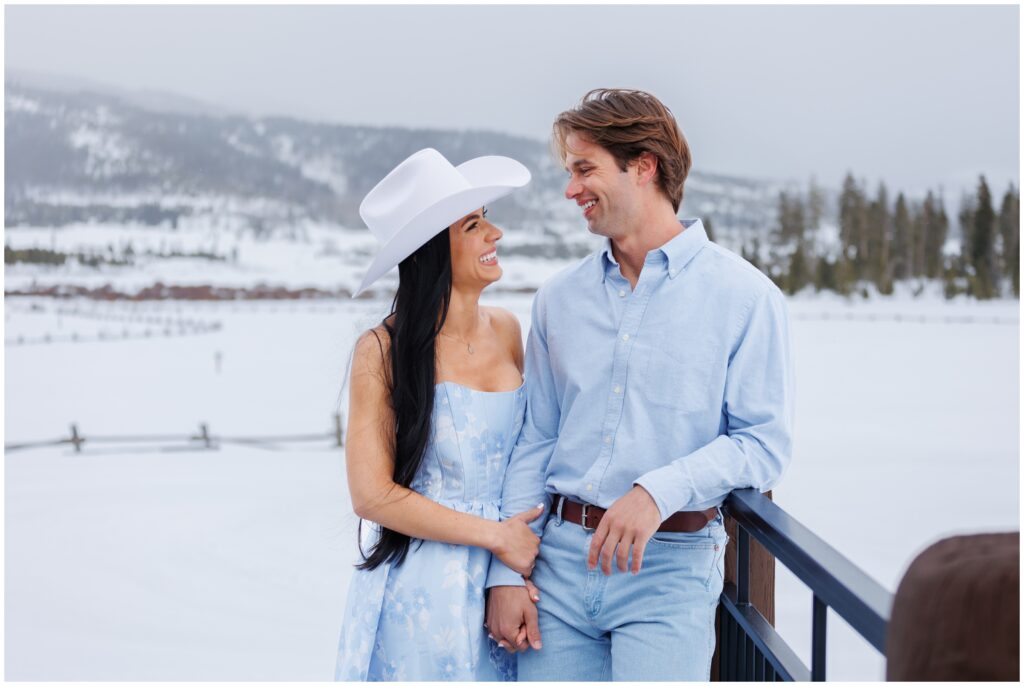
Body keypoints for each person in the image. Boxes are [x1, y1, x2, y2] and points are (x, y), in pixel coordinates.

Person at [485, 89, 795, 681]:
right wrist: (506, 571)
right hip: (558, 571)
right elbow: (536, 439)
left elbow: (764, 444)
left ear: (644, 165)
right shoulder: (558, 299)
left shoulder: (746, 298)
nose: (571, 189)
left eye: (584, 169)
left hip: (668, 575)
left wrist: (658, 491)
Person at [334, 148, 543, 681]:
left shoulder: (508, 331)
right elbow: (372, 495)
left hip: (513, 576)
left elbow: (534, 450)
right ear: (432, 250)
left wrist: (510, 565)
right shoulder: (382, 350)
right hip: (424, 594)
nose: (494, 234)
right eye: (474, 224)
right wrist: (495, 536)